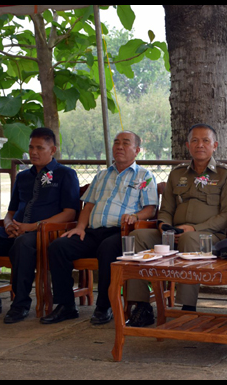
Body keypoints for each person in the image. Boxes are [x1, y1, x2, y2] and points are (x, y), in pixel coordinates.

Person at [124, 124, 227, 327]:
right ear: (187, 145)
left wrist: (194, 229)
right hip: (172, 234)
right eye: (194, 140)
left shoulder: (225, 175)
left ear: (215, 146)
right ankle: (141, 306)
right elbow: (166, 209)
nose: (199, 145)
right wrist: (164, 226)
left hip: (209, 238)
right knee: (137, 236)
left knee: (189, 238)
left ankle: (187, 308)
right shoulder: (177, 174)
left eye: (205, 141)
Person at [40, 131, 158, 325]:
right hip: (93, 232)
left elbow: (150, 209)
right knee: (58, 247)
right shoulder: (102, 175)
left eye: (125, 143)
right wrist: (80, 227)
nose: (119, 146)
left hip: (121, 233)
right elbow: (89, 205)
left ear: (137, 150)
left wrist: (136, 216)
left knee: (108, 248)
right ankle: (66, 305)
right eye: (116, 142)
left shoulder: (145, 176)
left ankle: (104, 306)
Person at [0, 128, 80, 323]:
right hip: (16, 230)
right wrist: (9, 224)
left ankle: (20, 304)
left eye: (39, 148)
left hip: (46, 233)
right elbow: (10, 212)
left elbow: (70, 213)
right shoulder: (22, 176)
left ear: (52, 150)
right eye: (31, 147)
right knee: (18, 240)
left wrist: (32, 227)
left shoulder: (65, 174)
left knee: (23, 244)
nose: (33, 152)